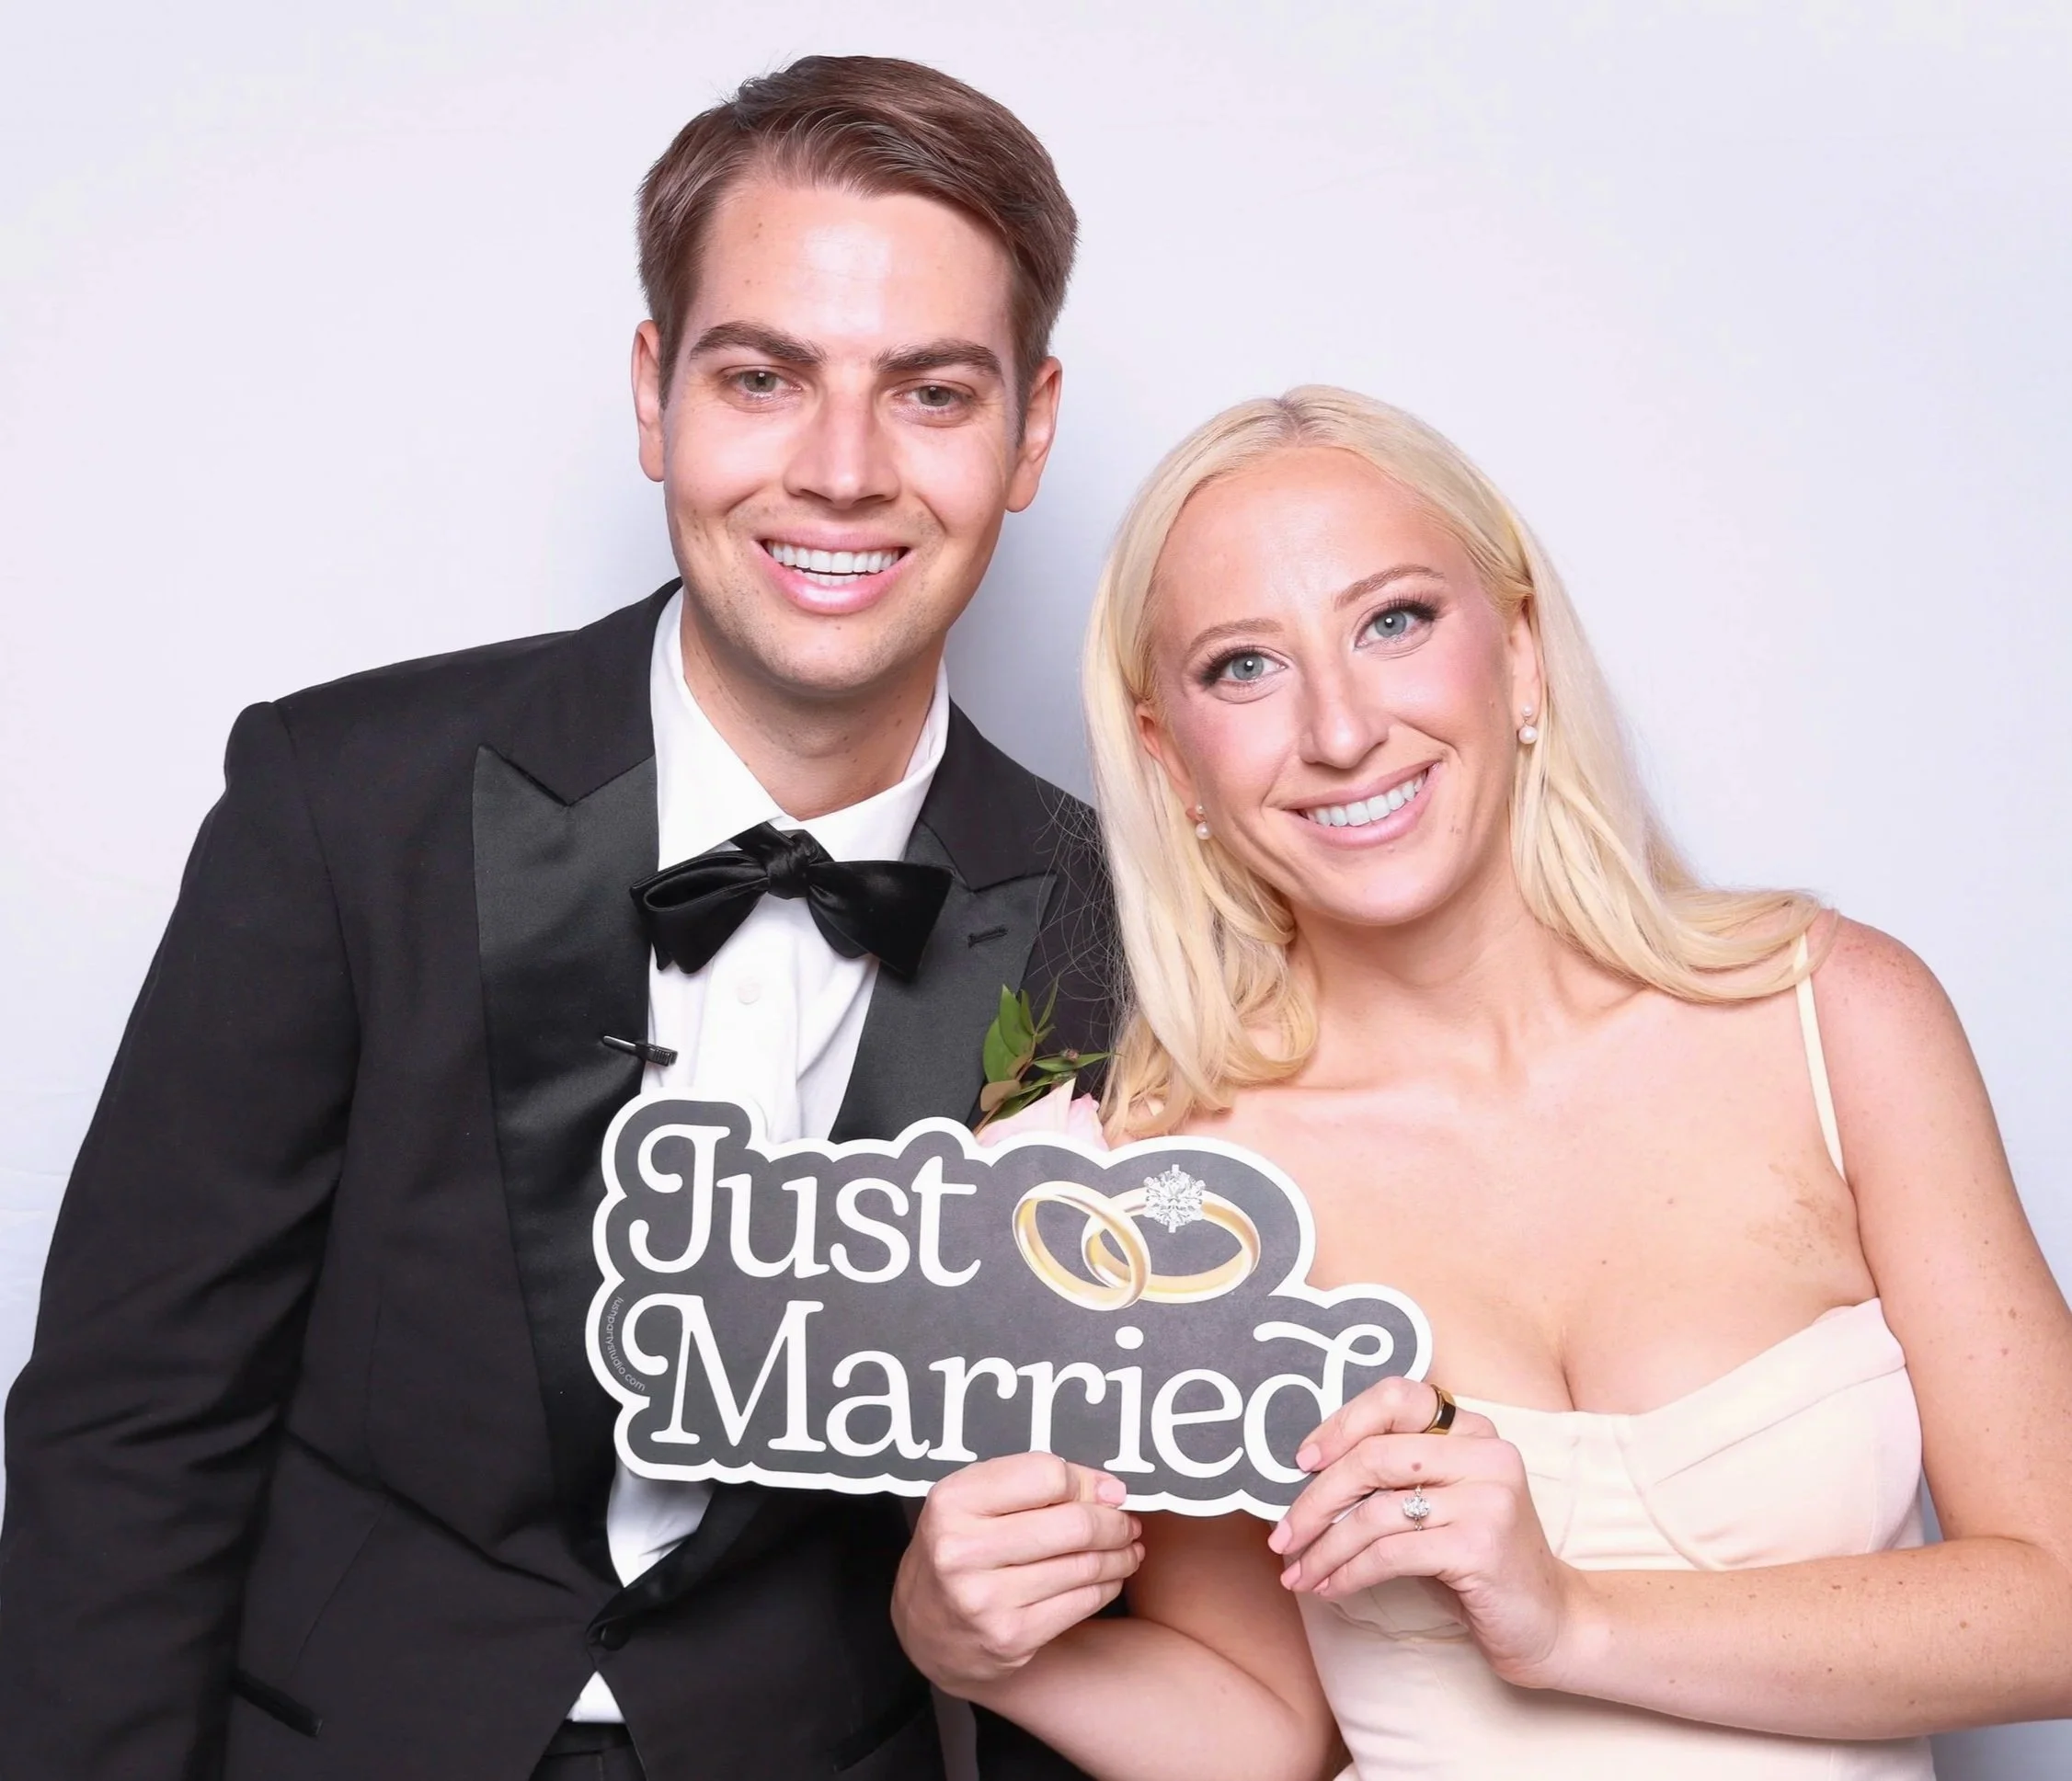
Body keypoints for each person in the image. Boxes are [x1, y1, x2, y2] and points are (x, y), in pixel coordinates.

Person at [0, 56, 1116, 1781]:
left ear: (1030, 430)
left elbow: (1089, 1540)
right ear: (657, 391)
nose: (841, 469)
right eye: (765, 376)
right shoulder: (342, 798)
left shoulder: (1103, 923)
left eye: (931, 394)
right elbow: (135, 1419)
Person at [890, 386, 2072, 1778]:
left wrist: (1570, 1622)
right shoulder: (1174, 1181)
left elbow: (2054, 1606)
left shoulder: (1836, 1018)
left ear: (1517, 652)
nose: (1339, 730)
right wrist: (969, 1643)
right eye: (1242, 669)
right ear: (1171, 758)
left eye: (1394, 621)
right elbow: (1261, 1735)